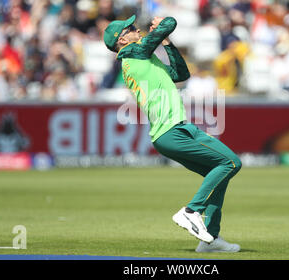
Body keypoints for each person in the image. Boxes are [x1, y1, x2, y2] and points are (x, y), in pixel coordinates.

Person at [103, 15, 242, 253]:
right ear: (122, 39)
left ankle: (211, 238)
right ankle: (191, 211)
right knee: (230, 163)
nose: (138, 30)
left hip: (178, 128)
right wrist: (162, 25)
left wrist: (167, 42)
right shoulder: (131, 55)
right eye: (132, 28)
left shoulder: (143, 57)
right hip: (170, 131)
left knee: (219, 172)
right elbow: (170, 23)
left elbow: (180, 74)